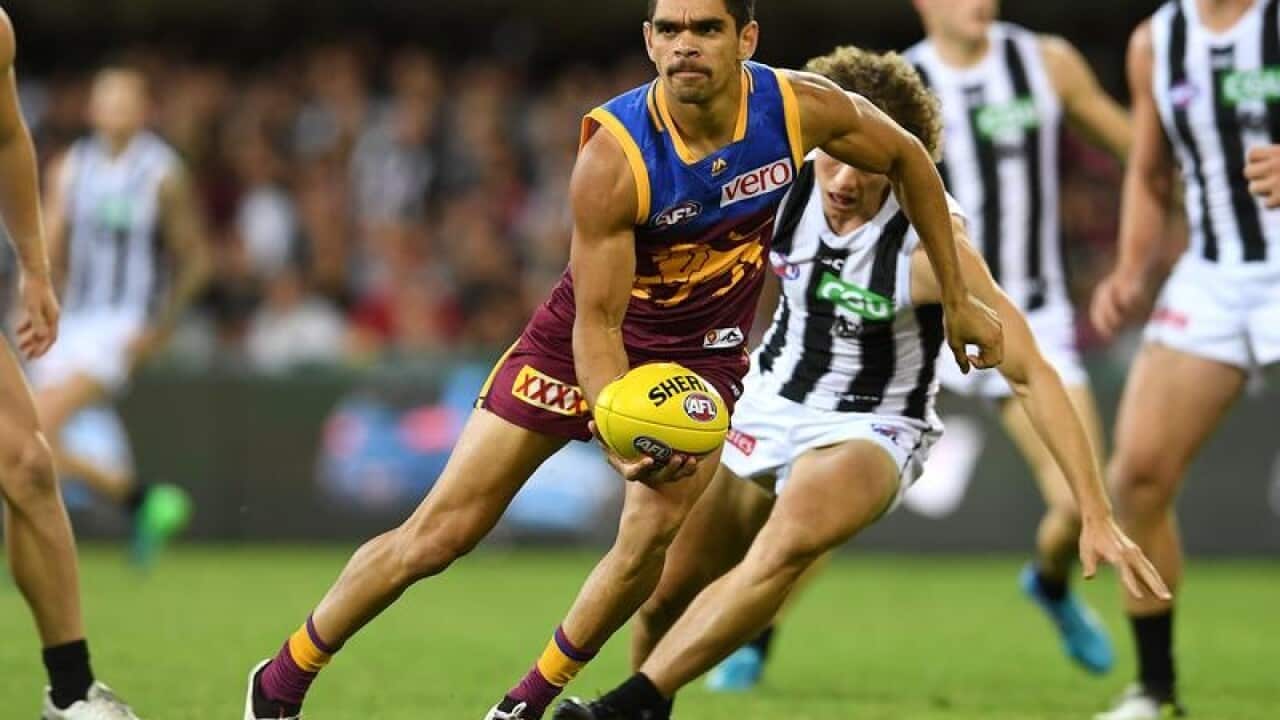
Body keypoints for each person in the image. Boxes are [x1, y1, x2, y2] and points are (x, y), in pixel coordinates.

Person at [242, 2, 1004, 719]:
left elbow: (907, 158)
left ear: (747, 40)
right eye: (669, 29)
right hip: (577, 348)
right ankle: (282, 678)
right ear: (649, 42)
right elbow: (599, 322)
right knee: (440, 534)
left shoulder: (798, 108)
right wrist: (619, 426)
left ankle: (524, 704)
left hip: (699, 359)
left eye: (706, 28)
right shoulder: (616, 157)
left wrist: (964, 302)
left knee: (647, 546)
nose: (685, 45)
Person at [552, 45, 1169, 720]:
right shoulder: (780, 189)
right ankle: (648, 710)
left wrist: (1096, 510)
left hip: (871, 427)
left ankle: (624, 708)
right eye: (832, 158)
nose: (843, 181)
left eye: (866, 167)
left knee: (783, 547)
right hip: (765, 401)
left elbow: (1031, 374)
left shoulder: (936, 249)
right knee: (667, 593)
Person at [706, 1, 1137, 689]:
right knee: (819, 502)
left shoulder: (1043, 63)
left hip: (1018, 308)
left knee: (1075, 501)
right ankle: (759, 632)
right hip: (899, 311)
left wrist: (1156, 229)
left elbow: (1133, 146)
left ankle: (1051, 582)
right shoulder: (897, 90)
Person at [1090, 0, 1280, 717]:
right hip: (1213, 275)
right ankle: (1155, 688)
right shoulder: (1157, 40)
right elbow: (1148, 171)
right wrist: (1132, 270)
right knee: (1136, 475)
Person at [0, 11, 144, 720]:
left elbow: (5, 135)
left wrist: (35, 268)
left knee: (27, 461)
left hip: (106, 325)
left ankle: (71, 691)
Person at [33, 65, 211, 566]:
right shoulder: (70, 167)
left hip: (120, 325)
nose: (116, 111)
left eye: (126, 101)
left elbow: (196, 258)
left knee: (34, 429)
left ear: (144, 111)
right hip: (72, 321)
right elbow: (49, 245)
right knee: (24, 439)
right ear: (91, 109)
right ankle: (141, 500)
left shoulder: (160, 172)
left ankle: (38, 553)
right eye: (107, 100)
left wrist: (160, 326)